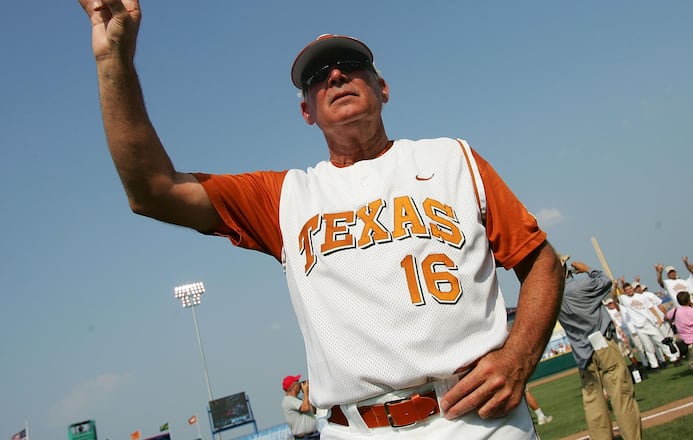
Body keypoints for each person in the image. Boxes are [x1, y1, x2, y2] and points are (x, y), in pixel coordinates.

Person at [76, 2, 565, 439]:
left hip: (478, 422)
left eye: (351, 66)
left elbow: (541, 260)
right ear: (306, 110)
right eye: (318, 76)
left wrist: (520, 353)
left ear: (383, 88)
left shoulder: (454, 158)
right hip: (351, 429)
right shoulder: (284, 196)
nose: (335, 76)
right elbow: (151, 190)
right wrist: (111, 60)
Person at [558, 260, 642, 440]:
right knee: (622, 396)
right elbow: (605, 280)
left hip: (582, 353)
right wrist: (587, 269)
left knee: (593, 403)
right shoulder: (581, 284)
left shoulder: (552, 296)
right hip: (603, 343)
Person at [282, 375, 321, 439]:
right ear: (293, 386)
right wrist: (305, 392)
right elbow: (306, 408)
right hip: (304, 437)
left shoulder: (298, 400)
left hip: (313, 435)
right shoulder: (288, 400)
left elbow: (313, 411)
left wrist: (308, 393)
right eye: (297, 382)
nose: (300, 384)